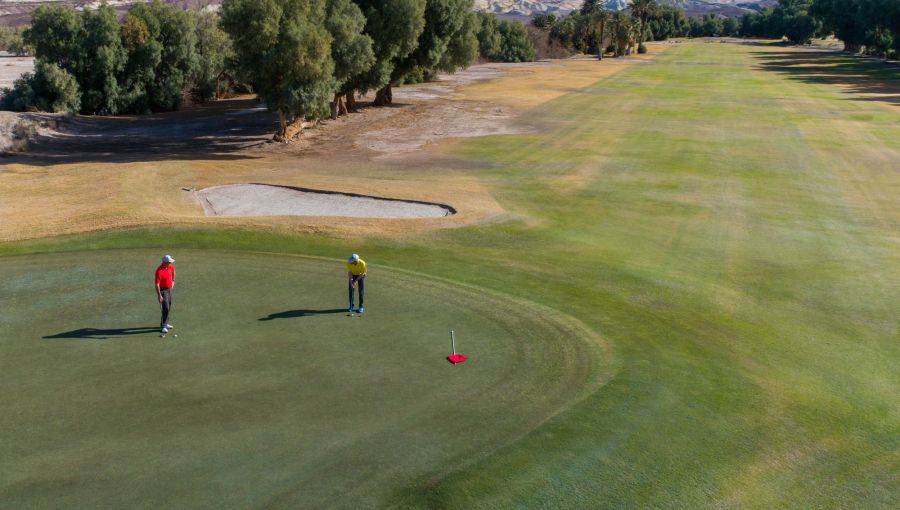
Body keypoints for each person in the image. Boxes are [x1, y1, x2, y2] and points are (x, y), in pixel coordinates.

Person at [155, 255, 176, 334]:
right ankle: (163, 326)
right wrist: (159, 295)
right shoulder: (159, 271)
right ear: (164, 262)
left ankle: (166, 323)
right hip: (163, 290)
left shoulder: (170, 267)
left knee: (169, 306)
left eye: (170, 262)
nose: (170, 263)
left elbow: (174, 273)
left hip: (169, 289)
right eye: (169, 262)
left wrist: (173, 282)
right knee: (165, 307)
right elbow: (157, 284)